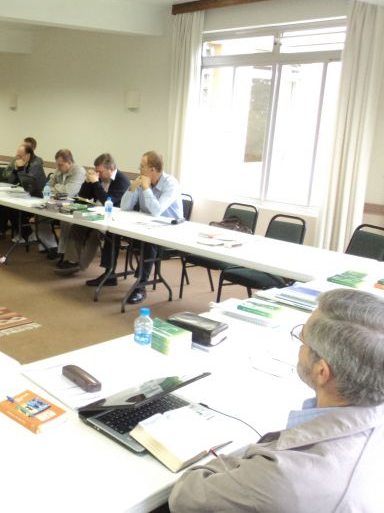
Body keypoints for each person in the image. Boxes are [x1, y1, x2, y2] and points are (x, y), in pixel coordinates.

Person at [169, 288, 384, 512]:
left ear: (322, 372)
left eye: (303, 340)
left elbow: (185, 496)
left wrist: (238, 464)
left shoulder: (283, 477)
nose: (300, 346)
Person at [119, 151, 183, 304]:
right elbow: (124, 207)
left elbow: (157, 211)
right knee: (113, 233)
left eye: (142, 166)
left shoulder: (170, 184)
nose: (139, 169)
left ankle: (141, 285)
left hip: (171, 230)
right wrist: (132, 188)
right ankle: (109, 274)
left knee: (148, 242)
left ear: (152, 170)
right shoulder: (142, 181)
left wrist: (146, 189)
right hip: (147, 227)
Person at [55, 153, 129, 281]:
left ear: (111, 169)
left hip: (112, 219)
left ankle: (81, 265)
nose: (98, 174)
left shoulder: (122, 180)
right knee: (76, 227)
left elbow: (107, 202)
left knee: (95, 234)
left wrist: (95, 183)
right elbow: (84, 196)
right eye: (96, 171)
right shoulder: (98, 178)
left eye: (100, 171)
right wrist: (87, 182)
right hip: (95, 213)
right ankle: (72, 260)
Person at [40, 149, 86, 259]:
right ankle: (51, 245)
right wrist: (58, 188)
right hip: (57, 201)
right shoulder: (59, 169)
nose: (58, 167)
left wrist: (56, 187)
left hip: (75, 204)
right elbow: (47, 186)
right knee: (40, 214)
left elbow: (69, 192)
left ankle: (64, 252)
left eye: (61, 164)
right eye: (57, 164)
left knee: (65, 220)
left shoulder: (79, 172)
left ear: (69, 162)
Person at [0, 144, 47, 239]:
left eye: (20, 155)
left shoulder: (36, 164)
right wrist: (15, 171)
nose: (17, 157)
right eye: (17, 155)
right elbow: (10, 181)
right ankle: (12, 232)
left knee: (14, 209)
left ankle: (27, 235)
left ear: (28, 155)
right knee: (4, 205)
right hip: (27, 194)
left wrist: (20, 168)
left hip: (38, 196)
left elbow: (27, 183)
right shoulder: (21, 161)